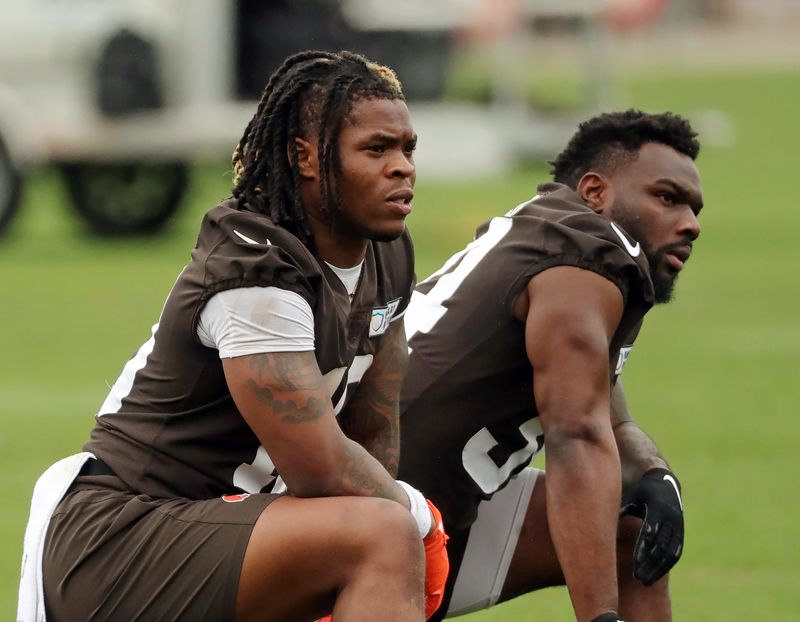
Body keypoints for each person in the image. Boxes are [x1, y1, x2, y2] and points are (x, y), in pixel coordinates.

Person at [18, 50, 448, 622]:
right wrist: (414, 515)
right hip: (121, 534)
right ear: (305, 158)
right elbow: (319, 465)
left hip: (229, 529)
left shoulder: (387, 256)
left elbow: (374, 424)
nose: (402, 167)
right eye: (376, 149)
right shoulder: (256, 265)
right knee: (382, 532)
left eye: (407, 148)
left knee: (379, 530)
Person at [398, 110, 703, 622]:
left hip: (416, 505)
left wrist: (654, 475)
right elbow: (577, 434)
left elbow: (611, 417)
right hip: (364, 520)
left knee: (631, 526)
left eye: (693, 209)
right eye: (666, 198)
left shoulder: (550, 231)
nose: (690, 224)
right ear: (594, 192)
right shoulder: (588, 256)